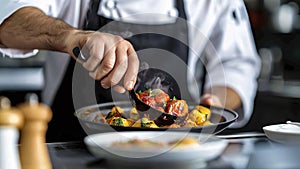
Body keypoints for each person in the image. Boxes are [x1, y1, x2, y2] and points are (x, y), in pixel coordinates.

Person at [0, 0, 261, 142]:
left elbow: (237, 64)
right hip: (70, 149)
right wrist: (73, 36)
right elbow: (9, 20)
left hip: (178, 150)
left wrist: (214, 102)